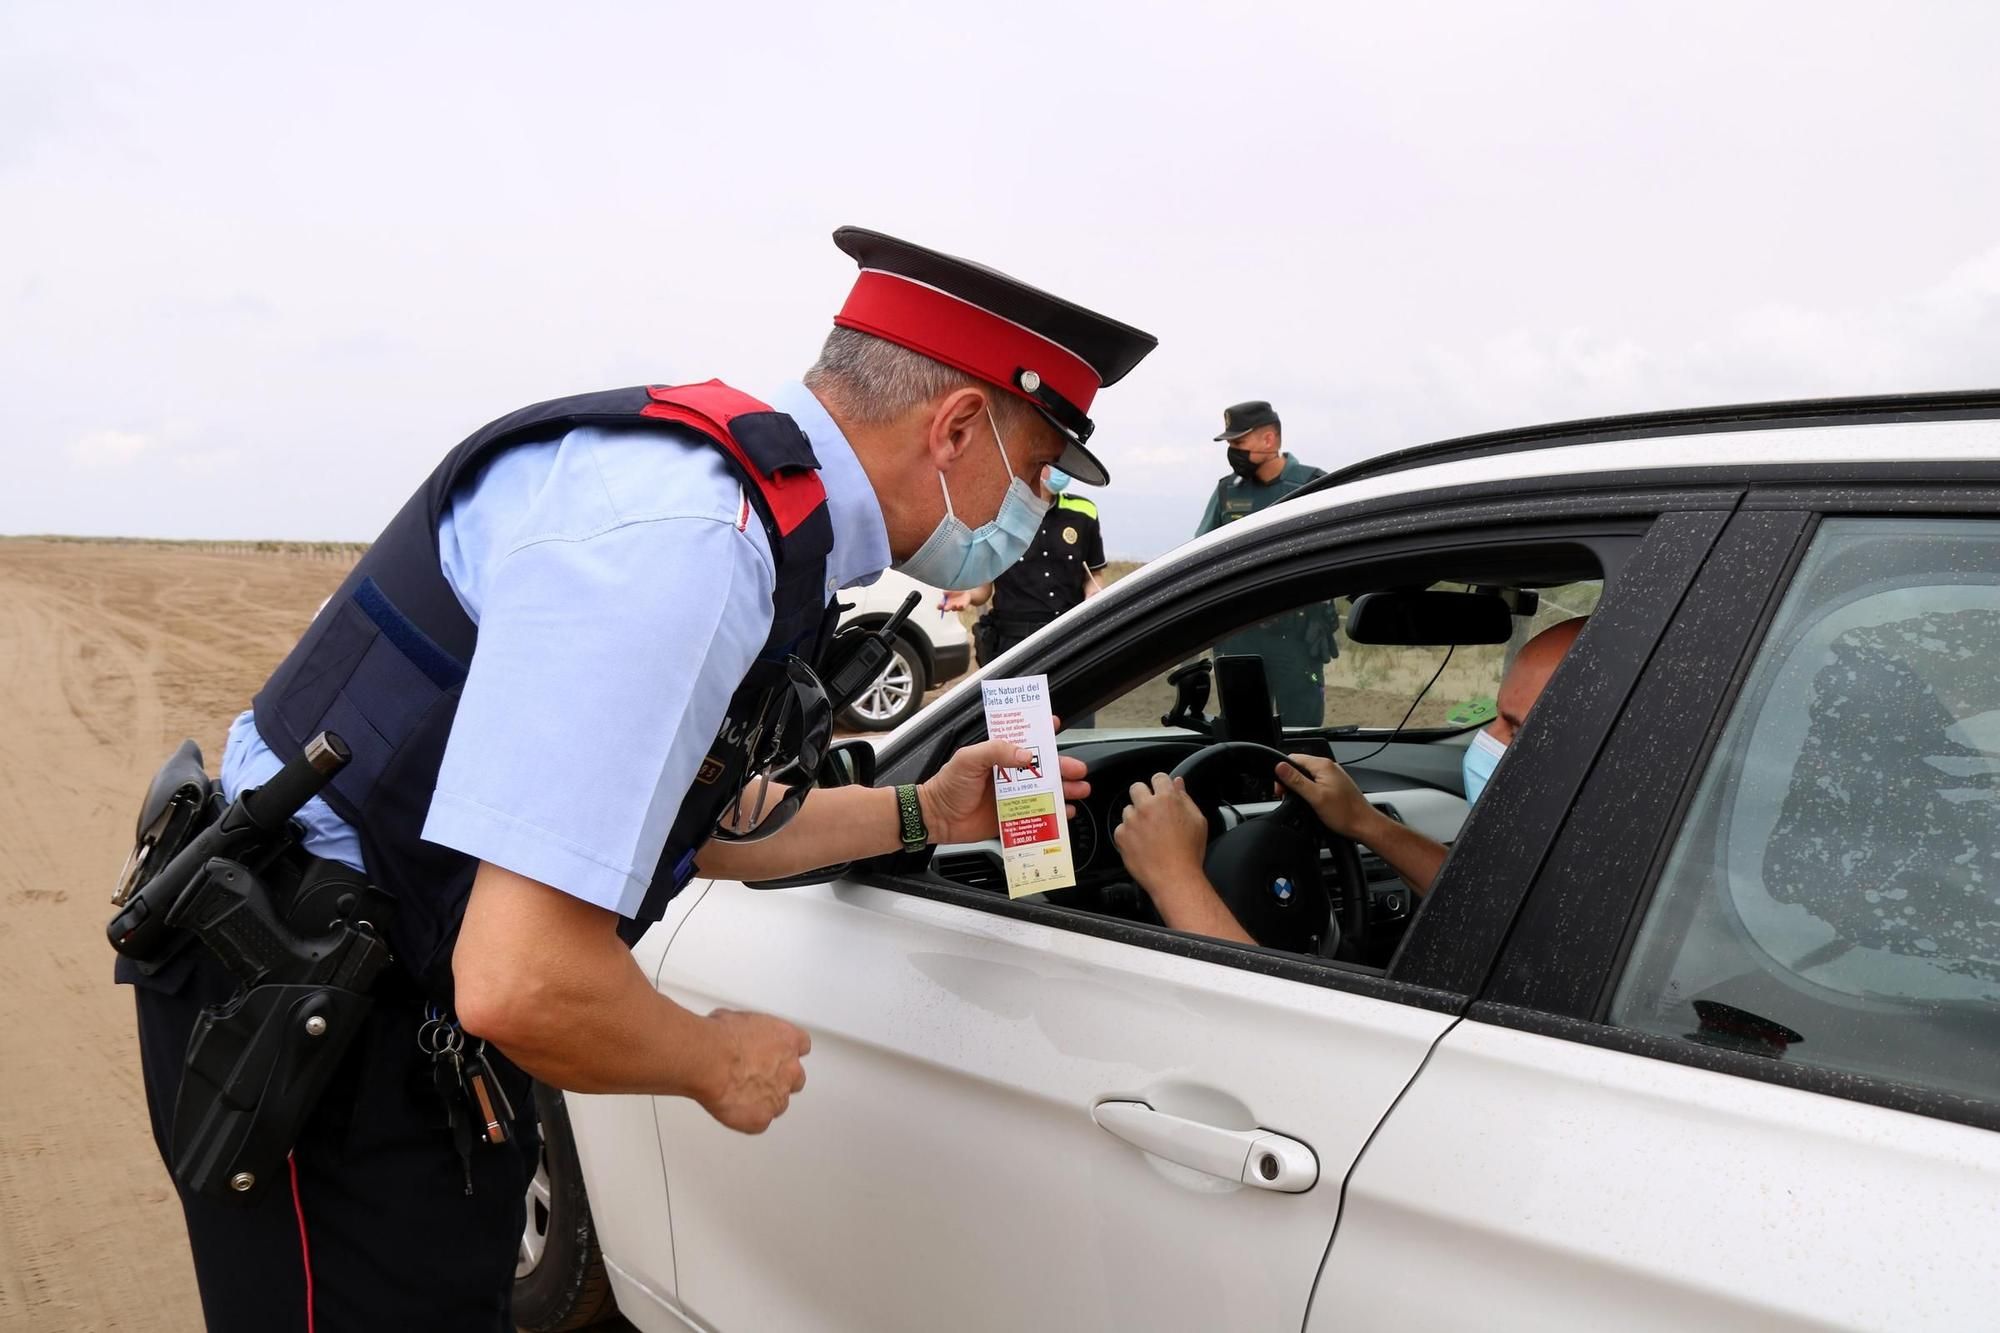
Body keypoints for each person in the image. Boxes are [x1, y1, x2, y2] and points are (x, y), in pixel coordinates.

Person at [116, 226, 1154, 1331]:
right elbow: (519, 980)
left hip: (373, 997)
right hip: (319, 1034)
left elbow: (665, 812)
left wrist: (924, 808)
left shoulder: (742, 508)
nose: (1035, 511)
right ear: (952, 428)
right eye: (1037, 470)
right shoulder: (691, 543)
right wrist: (715, 1061)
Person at [1114, 618, 1586, 946]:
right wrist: (1363, 822)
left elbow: (1282, 1046)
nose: (1486, 739)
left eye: (1517, 727)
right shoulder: (1602, 872)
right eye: (1494, 714)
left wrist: (1173, 877)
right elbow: (1497, 909)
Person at [1193, 400, 1336, 725]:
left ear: (1269, 440)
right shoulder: (1228, 491)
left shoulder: (1313, 486)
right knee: (1243, 732)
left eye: (1239, 443)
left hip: (1296, 639)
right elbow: (1202, 556)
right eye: (1230, 444)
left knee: (1301, 735)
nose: (1233, 451)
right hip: (1239, 636)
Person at [942, 464, 1107, 665]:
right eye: (1054, 462)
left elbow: (1093, 575)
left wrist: (1094, 594)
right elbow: (984, 588)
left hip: (1069, 638)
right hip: (1013, 645)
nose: (1061, 469)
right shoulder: (998, 516)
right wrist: (968, 594)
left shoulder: (1084, 510)